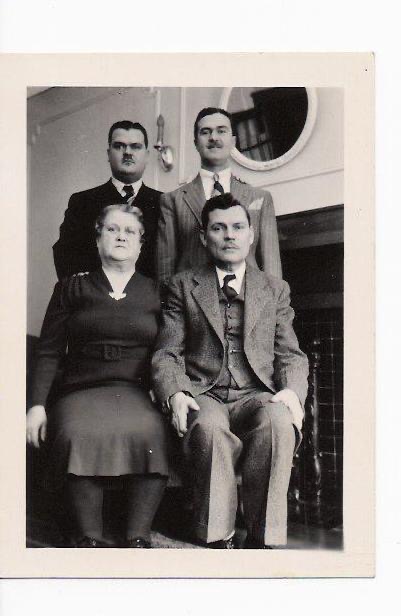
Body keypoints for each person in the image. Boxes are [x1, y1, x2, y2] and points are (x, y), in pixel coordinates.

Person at [152, 193, 308, 549]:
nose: (229, 235)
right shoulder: (182, 285)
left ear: (251, 234)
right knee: (207, 428)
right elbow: (166, 351)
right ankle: (217, 537)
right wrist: (176, 392)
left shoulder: (274, 288)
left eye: (238, 227)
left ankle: (263, 538)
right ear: (205, 237)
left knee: (277, 422)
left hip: (255, 394)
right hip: (203, 392)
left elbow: (292, 354)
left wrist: (292, 394)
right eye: (219, 228)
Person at [27, 204, 169, 548]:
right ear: (97, 238)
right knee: (77, 432)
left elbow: (168, 352)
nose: (121, 236)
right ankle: (88, 537)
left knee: (152, 431)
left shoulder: (158, 293)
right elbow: (48, 351)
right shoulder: (70, 289)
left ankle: (138, 535)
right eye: (112, 229)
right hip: (80, 390)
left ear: (140, 244)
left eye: (129, 231)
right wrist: (36, 406)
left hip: (136, 390)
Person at [157, 107, 282, 289]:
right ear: (195, 142)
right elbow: (165, 273)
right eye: (205, 132)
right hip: (191, 305)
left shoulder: (260, 198)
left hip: (248, 304)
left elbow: (272, 270)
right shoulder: (172, 201)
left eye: (221, 131)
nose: (213, 137)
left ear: (232, 141)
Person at [53, 120, 161, 280]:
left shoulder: (165, 202)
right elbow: (66, 253)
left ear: (146, 155)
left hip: (149, 300)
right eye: (119, 146)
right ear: (108, 154)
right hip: (95, 299)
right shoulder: (82, 202)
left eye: (136, 146)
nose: (127, 152)